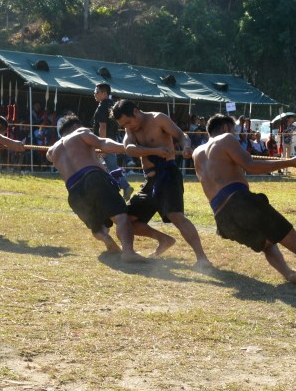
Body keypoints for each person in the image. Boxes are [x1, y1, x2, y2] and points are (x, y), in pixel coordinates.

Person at [192, 114, 296, 295]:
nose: (236, 134)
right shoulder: (226, 139)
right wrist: (290, 162)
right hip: (240, 202)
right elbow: (251, 166)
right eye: (234, 130)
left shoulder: (197, 153)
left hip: (222, 219)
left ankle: (289, 274)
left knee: (267, 243)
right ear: (225, 128)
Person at [47, 114, 168, 263]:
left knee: (96, 225)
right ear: (75, 126)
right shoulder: (80, 132)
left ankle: (106, 239)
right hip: (92, 178)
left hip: (74, 192)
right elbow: (103, 143)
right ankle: (128, 252)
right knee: (121, 217)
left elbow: (58, 157)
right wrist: (129, 148)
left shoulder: (51, 151)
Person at [112, 99, 212, 269]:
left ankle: (202, 258)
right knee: (126, 220)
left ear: (136, 111)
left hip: (168, 175)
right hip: (150, 182)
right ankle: (164, 240)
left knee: (176, 216)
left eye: (128, 122)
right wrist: (155, 151)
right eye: (123, 125)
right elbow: (129, 149)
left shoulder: (158, 119)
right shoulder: (130, 129)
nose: (128, 126)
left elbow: (181, 136)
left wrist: (186, 147)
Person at [92, 83, 133, 200]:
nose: (94, 94)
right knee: (110, 166)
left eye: (96, 92)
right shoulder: (113, 105)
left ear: (104, 93)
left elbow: (103, 126)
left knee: (109, 166)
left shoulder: (102, 107)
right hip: (112, 140)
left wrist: (101, 146)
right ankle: (120, 187)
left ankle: (124, 187)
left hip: (103, 142)